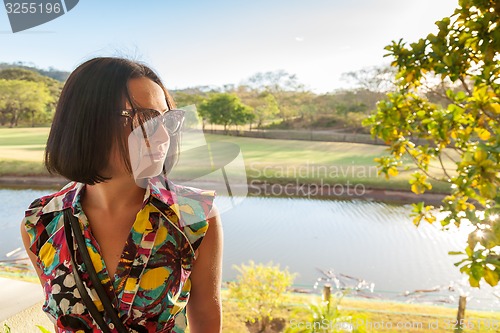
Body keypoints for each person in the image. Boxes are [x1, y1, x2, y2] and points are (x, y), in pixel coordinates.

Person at [19, 57, 223, 333]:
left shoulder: (195, 214)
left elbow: (206, 317)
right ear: (89, 122)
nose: (163, 136)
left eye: (167, 119)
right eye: (145, 119)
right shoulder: (41, 223)